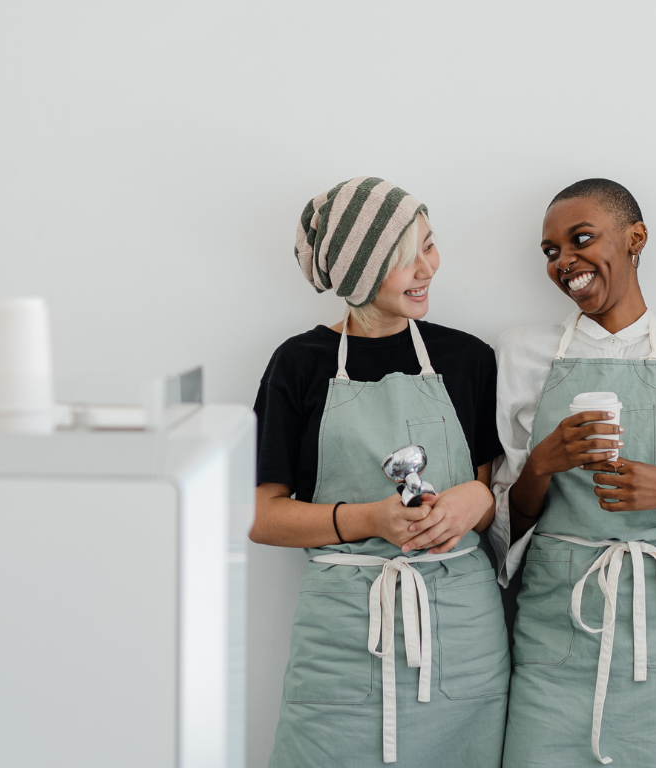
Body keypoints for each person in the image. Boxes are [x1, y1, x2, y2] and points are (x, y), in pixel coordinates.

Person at [492, 178, 656, 767]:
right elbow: (502, 525)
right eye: (551, 251)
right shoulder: (520, 353)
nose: (565, 261)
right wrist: (544, 462)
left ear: (636, 238)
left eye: (580, 239)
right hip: (556, 631)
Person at [251, 177, 510, 767]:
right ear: (360, 273)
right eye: (405, 257)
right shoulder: (298, 364)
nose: (429, 267)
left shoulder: (468, 359)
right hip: (342, 636)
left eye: (430, 244)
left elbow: (495, 491)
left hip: (459, 631)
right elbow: (263, 515)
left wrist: (477, 499)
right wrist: (370, 519)